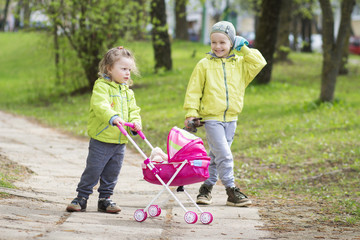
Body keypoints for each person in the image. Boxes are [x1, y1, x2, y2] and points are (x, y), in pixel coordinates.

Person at [183, 21, 266, 207]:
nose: (218, 46)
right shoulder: (203, 65)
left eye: (223, 42)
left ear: (231, 43)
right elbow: (193, 91)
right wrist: (190, 113)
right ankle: (231, 190)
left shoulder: (241, 64)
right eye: (214, 42)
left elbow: (260, 62)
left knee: (215, 156)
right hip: (211, 118)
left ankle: (206, 188)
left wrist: (243, 48)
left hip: (232, 118)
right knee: (225, 156)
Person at [66, 46, 142, 213]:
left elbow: (133, 110)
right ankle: (81, 197)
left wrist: (136, 123)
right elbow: (100, 105)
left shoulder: (128, 92)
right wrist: (113, 117)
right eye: (123, 69)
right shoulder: (102, 87)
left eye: (129, 69)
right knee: (93, 169)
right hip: (102, 139)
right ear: (109, 68)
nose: (127, 73)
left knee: (112, 173)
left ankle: (105, 199)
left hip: (120, 141)